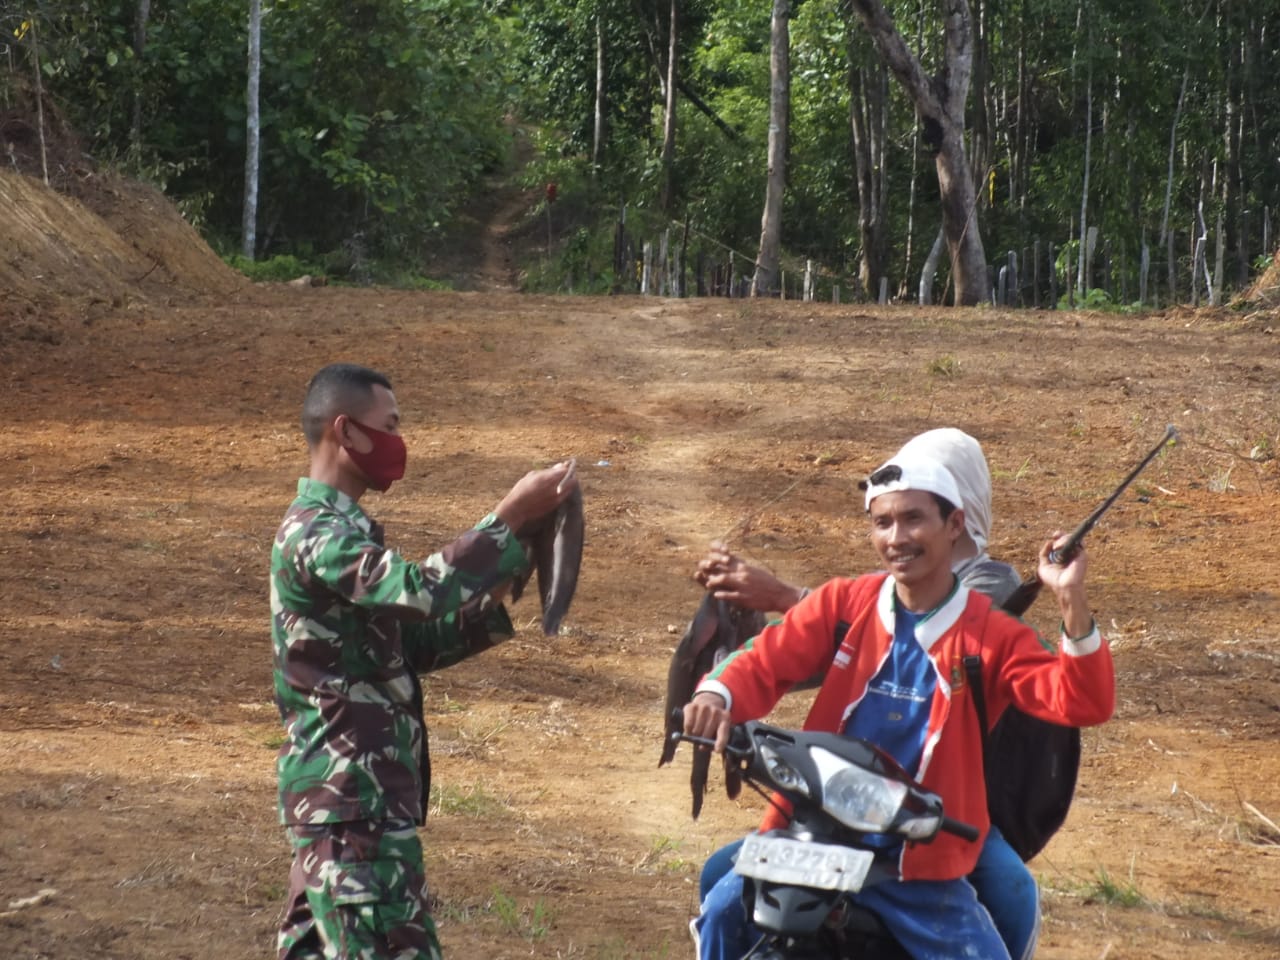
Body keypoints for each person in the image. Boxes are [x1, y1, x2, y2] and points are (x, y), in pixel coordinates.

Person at [684, 448, 1115, 960]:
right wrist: (716, 693)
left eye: (913, 519)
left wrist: (1071, 598)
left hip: (917, 858)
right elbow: (765, 659)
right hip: (813, 839)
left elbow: (1082, 702)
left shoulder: (992, 634)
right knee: (721, 915)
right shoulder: (843, 602)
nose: (896, 538)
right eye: (882, 522)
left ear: (954, 524)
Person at [271, 362, 577, 960]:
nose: (398, 441)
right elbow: (416, 590)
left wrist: (502, 584)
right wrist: (507, 519)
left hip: (347, 811)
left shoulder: (338, 529)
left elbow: (404, 647)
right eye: (388, 425)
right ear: (346, 432)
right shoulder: (318, 533)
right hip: (351, 810)